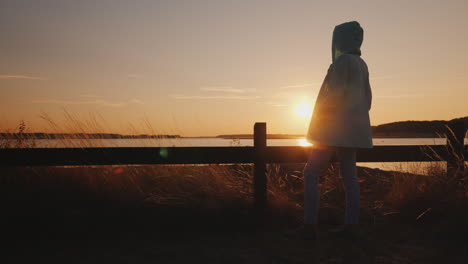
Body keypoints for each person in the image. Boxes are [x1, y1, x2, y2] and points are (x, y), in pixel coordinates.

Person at [287, 21, 373, 240]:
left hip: (331, 129)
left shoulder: (342, 61)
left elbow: (331, 97)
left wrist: (323, 122)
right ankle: (352, 225)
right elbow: (368, 100)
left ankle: (310, 226)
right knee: (350, 178)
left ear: (339, 39)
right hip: (353, 131)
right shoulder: (361, 64)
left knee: (310, 174)